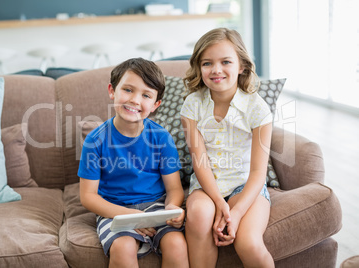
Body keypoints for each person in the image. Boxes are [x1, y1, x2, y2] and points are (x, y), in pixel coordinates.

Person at [78, 58, 189, 268]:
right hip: (114, 208)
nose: (135, 100)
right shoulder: (95, 140)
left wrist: (173, 208)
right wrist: (130, 216)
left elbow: (174, 189)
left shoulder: (161, 137)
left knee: (176, 244)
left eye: (146, 95)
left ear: (156, 104)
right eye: (128, 90)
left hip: (156, 205)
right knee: (122, 247)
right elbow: (88, 197)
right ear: (112, 91)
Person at [180, 28, 274, 268]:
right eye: (207, 63)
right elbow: (199, 162)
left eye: (226, 62)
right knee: (200, 216)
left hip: (246, 185)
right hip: (205, 185)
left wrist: (237, 212)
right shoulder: (192, 105)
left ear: (241, 65)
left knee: (248, 243)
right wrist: (220, 203)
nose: (216, 70)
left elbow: (257, 173)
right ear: (199, 68)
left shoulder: (257, 108)